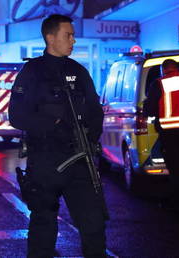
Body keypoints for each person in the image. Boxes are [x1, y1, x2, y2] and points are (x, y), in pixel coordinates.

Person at [9, 14, 106, 257]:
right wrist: (52, 123)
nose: (73, 40)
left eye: (73, 35)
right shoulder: (32, 72)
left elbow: (95, 111)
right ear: (50, 38)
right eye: (68, 35)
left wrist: (90, 139)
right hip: (46, 162)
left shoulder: (78, 71)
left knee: (93, 226)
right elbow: (17, 115)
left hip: (79, 159)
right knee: (43, 228)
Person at [143, 59, 179, 210]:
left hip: (170, 132)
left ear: (163, 70)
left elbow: (150, 109)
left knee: (176, 167)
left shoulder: (159, 84)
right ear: (176, 68)